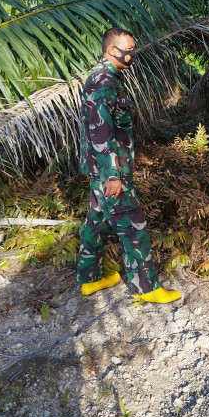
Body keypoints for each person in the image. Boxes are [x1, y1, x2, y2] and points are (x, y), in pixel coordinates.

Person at [77, 27, 181, 304]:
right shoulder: (104, 81)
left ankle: (90, 280)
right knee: (133, 225)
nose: (133, 53)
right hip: (110, 170)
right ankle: (146, 288)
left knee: (96, 222)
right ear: (112, 50)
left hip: (101, 167)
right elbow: (101, 131)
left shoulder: (104, 77)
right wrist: (113, 174)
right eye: (129, 48)